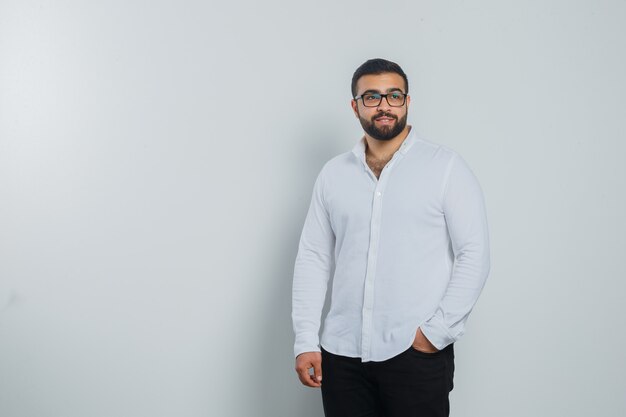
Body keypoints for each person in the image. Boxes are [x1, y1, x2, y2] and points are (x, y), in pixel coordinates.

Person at [291, 58, 490, 417]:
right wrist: (306, 340)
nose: (384, 105)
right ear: (355, 107)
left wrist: (435, 334)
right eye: (371, 97)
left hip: (414, 354)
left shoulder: (445, 167)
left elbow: (474, 254)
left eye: (393, 95)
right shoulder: (333, 174)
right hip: (341, 354)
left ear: (407, 102)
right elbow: (314, 257)